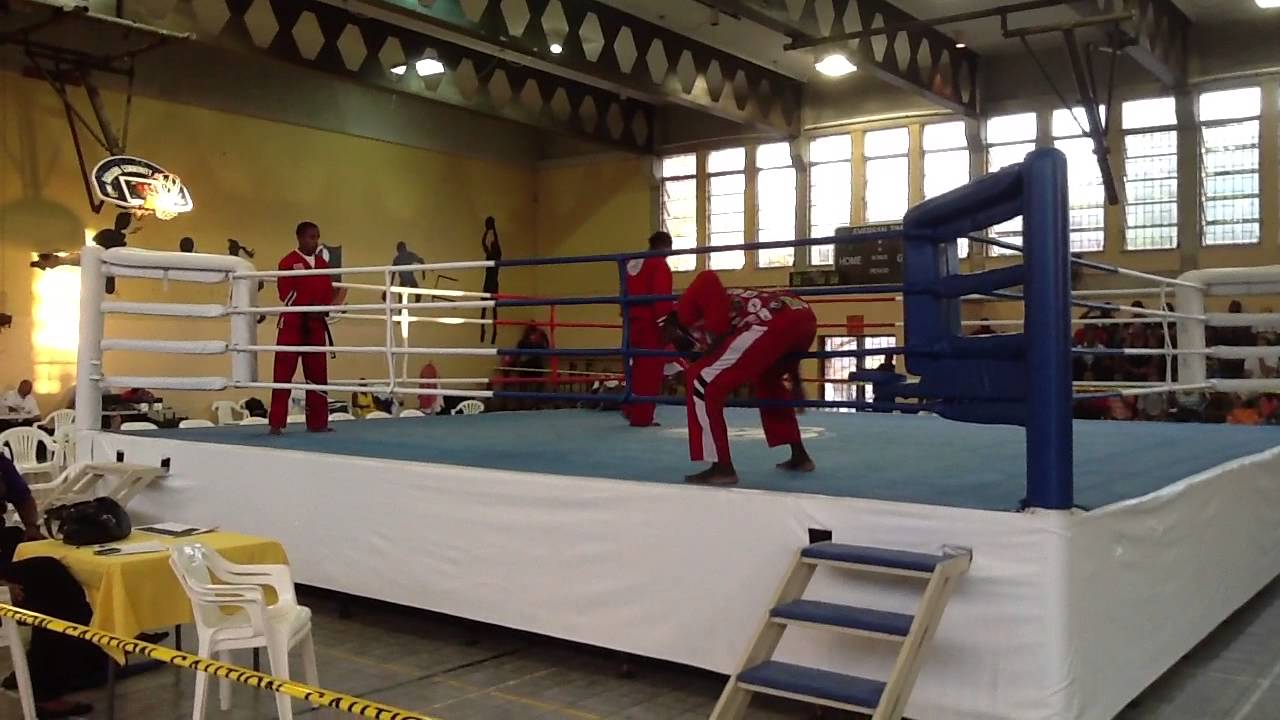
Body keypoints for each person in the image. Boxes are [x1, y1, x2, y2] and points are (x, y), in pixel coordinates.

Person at [663, 270, 817, 486]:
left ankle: (721, 467)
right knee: (768, 379)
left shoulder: (686, 311)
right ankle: (800, 456)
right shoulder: (717, 309)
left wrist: (708, 346)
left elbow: (708, 278)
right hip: (800, 315)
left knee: (700, 380)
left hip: (768, 321)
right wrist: (796, 380)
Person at [268, 222, 337, 434]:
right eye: (310, 237)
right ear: (299, 237)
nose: (314, 241)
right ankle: (276, 423)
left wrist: (323, 308)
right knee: (283, 373)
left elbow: (328, 291)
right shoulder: (288, 262)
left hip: (316, 323)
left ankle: (318, 423)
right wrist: (307, 306)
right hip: (293, 322)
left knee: (318, 373)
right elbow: (285, 293)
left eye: (316, 237)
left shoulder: (323, 265)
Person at [622, 232, 674, 427]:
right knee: (649, 371)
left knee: (634, 368)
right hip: (650, 323)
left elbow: (624, 291)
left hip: (631, 321)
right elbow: (661, 297)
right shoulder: (658, 264)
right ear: (667, 246)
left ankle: (630, 409)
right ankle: (642, 417)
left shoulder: (631, 263)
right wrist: (665, 325)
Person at [480, 217, 502, 345]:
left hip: (493, 282)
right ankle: (483, 329)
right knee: (484, 307)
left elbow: (495, 241)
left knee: (493, 309)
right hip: (488, 281)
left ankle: (494, 332)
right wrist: (487, 230)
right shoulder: (490, 254)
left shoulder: (497, 255)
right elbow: (483, 242)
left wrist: (493, 229)